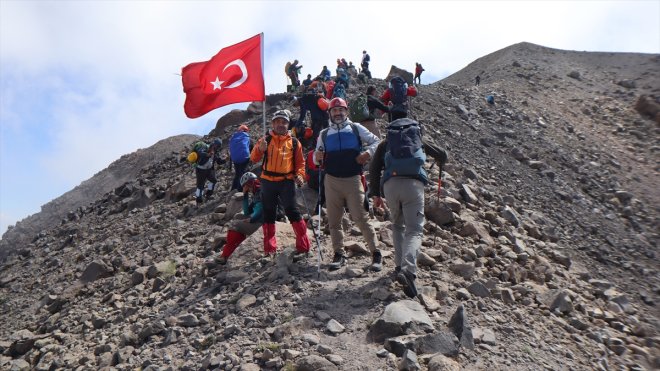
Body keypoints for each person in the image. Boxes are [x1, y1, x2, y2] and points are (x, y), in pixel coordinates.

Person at [368, 118, 447, 298]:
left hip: (390, 186)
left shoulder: (386, 143)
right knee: (415, 230)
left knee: (397, 225)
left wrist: (375, 194)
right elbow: (443, 155)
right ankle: (408, 271)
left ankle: (398, 267)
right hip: (413, 186)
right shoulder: (417, 139)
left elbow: (373, 168)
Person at [313, 98, 382, 271]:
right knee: (334, 221)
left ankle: (376, 253)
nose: (337, 113)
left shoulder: (356, 128)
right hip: (331, 180)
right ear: (329, 113)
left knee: (361, 217)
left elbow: (377, 142)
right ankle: (339, 254)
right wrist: (317, 157)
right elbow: (316, 156)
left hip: (353, 179)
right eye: (334, 110)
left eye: (340, 110)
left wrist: (367, 153)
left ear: (346, 112)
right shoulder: (323, 134)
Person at [250, 110, 310, 257]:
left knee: (292, 211)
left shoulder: (294, 142)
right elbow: (253, 159)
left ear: (288, 124)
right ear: (273, 124)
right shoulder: (265, 140)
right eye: (277, 122)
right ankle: (269, 249)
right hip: (267, 181)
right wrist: (259, 149)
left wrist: (300, 176)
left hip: (286, 181)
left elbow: (300, 164)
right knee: (269, 214)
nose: (280, 124)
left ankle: (303, 246)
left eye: (284, 122)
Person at [214, 172, 263, 265]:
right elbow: (247, 212)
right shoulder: (257, 193)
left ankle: (226, 255)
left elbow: (264, 209)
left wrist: (251, 220)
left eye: (245, 186)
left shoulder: (261, 192)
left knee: (234, 224)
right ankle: (234, 248)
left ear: (249, 183)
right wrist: (245, 195)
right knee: (238, 216)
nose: (246, 189)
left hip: (262, 222)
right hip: (260, 219)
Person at [189, 138, 223, 204]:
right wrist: (208, 155)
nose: (216, 147)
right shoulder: (205, 147)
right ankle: (198, 200)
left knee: (213, 181)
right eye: (216, 145)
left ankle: (208, 194)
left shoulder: (216, 153)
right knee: (200, 185)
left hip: (208, 170)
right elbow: (200, 152)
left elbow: (219, 161)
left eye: (218, 146)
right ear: (213, 144)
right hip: (200, 169)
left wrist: (225, 160)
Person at [229, 125, 252, 191]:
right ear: (246, 130)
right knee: (242, 173)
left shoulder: (234, 137)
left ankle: (233, 189)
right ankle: (239, 190)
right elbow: (250, 147)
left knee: (237, 174)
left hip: (235, 159)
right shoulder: (247, 137)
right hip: (244, 158)